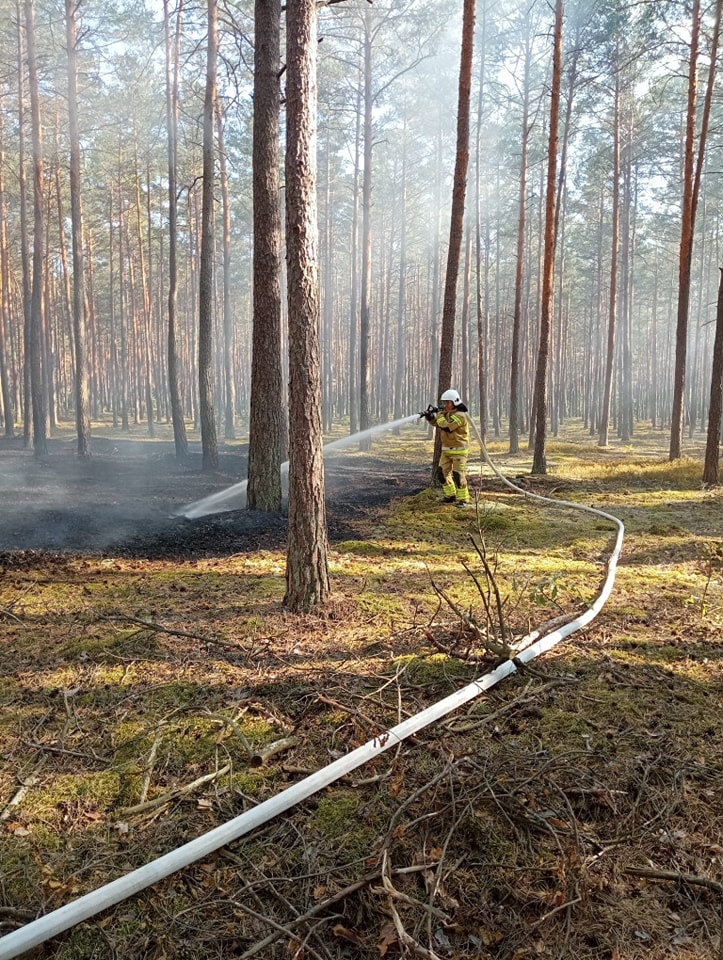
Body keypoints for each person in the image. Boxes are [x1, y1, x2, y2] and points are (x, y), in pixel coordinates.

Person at [424, 389, 470, 507]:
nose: (446, 405)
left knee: (458, 475)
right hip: (446, 451)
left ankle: (463, 499)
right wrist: (430, 417)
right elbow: (438, 423)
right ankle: (450, 495)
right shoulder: (447, 414)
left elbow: (447, 426)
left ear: (455, 402)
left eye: (448, 402)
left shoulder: (460, 416)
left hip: (459, 451)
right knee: (441, 473)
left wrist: (439, 414)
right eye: (445, 402)